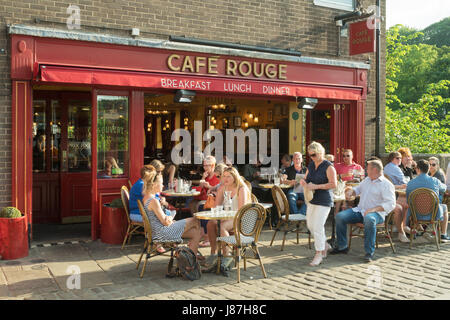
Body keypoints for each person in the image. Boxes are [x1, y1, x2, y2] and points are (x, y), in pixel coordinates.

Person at [331, 159, 396, 262]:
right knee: (340, 216)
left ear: (374, 170)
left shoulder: (386, 185)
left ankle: (369, 253)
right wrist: (351, 192)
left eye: (368, 168)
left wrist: (373, 209)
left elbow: (391, 204)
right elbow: (357, 190)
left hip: (376, 214)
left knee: (369, 219)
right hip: (360, 211)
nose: (366, 170)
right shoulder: (367, 180)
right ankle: (342, 246)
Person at [142, 167, 202, 256]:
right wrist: (170, 217)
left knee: (197, 232)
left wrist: (169, 219)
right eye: (161, 183)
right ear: (154, 184)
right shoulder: (154, 201)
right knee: (195, 220)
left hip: (157, 232)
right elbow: (165, 222)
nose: (163, 185)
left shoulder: (146, 197)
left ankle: (191, 258)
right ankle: (187, 255)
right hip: (162, 233)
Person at [204, 166, 251, 271]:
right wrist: (217, 194)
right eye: (224, 176)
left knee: (222, 226)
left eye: (228, 176)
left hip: (241, 218)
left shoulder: (241, 188)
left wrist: (224, 218)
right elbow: (217, 208)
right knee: (210, 223)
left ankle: (227, 255)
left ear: (234, 177)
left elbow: (241, 211)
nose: (225, 179)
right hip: (228, 217)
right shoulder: (223, 188)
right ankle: (213, 253)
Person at [299, 141, 337, 266]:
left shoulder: (328, 166)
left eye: (314, 155)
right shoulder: (311, 165)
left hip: (324, 199)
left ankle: (319, 253)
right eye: (310, 155)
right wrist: (303, 182)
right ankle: (325, 245)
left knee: (318, 226)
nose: (312, 157)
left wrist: (317, 186)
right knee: (310, 226)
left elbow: (333, 184)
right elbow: (306, 178)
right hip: (312, 199)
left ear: (320, 153)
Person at [406, 159, 450, 242]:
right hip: (433, 214)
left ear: (417, 169)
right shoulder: (435, 181)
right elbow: (444, 189)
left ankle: (419, 229)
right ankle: (443, 234)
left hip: (416, 214)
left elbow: (408, 200)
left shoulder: (410, 183)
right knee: (444, 206)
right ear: (428, 168)